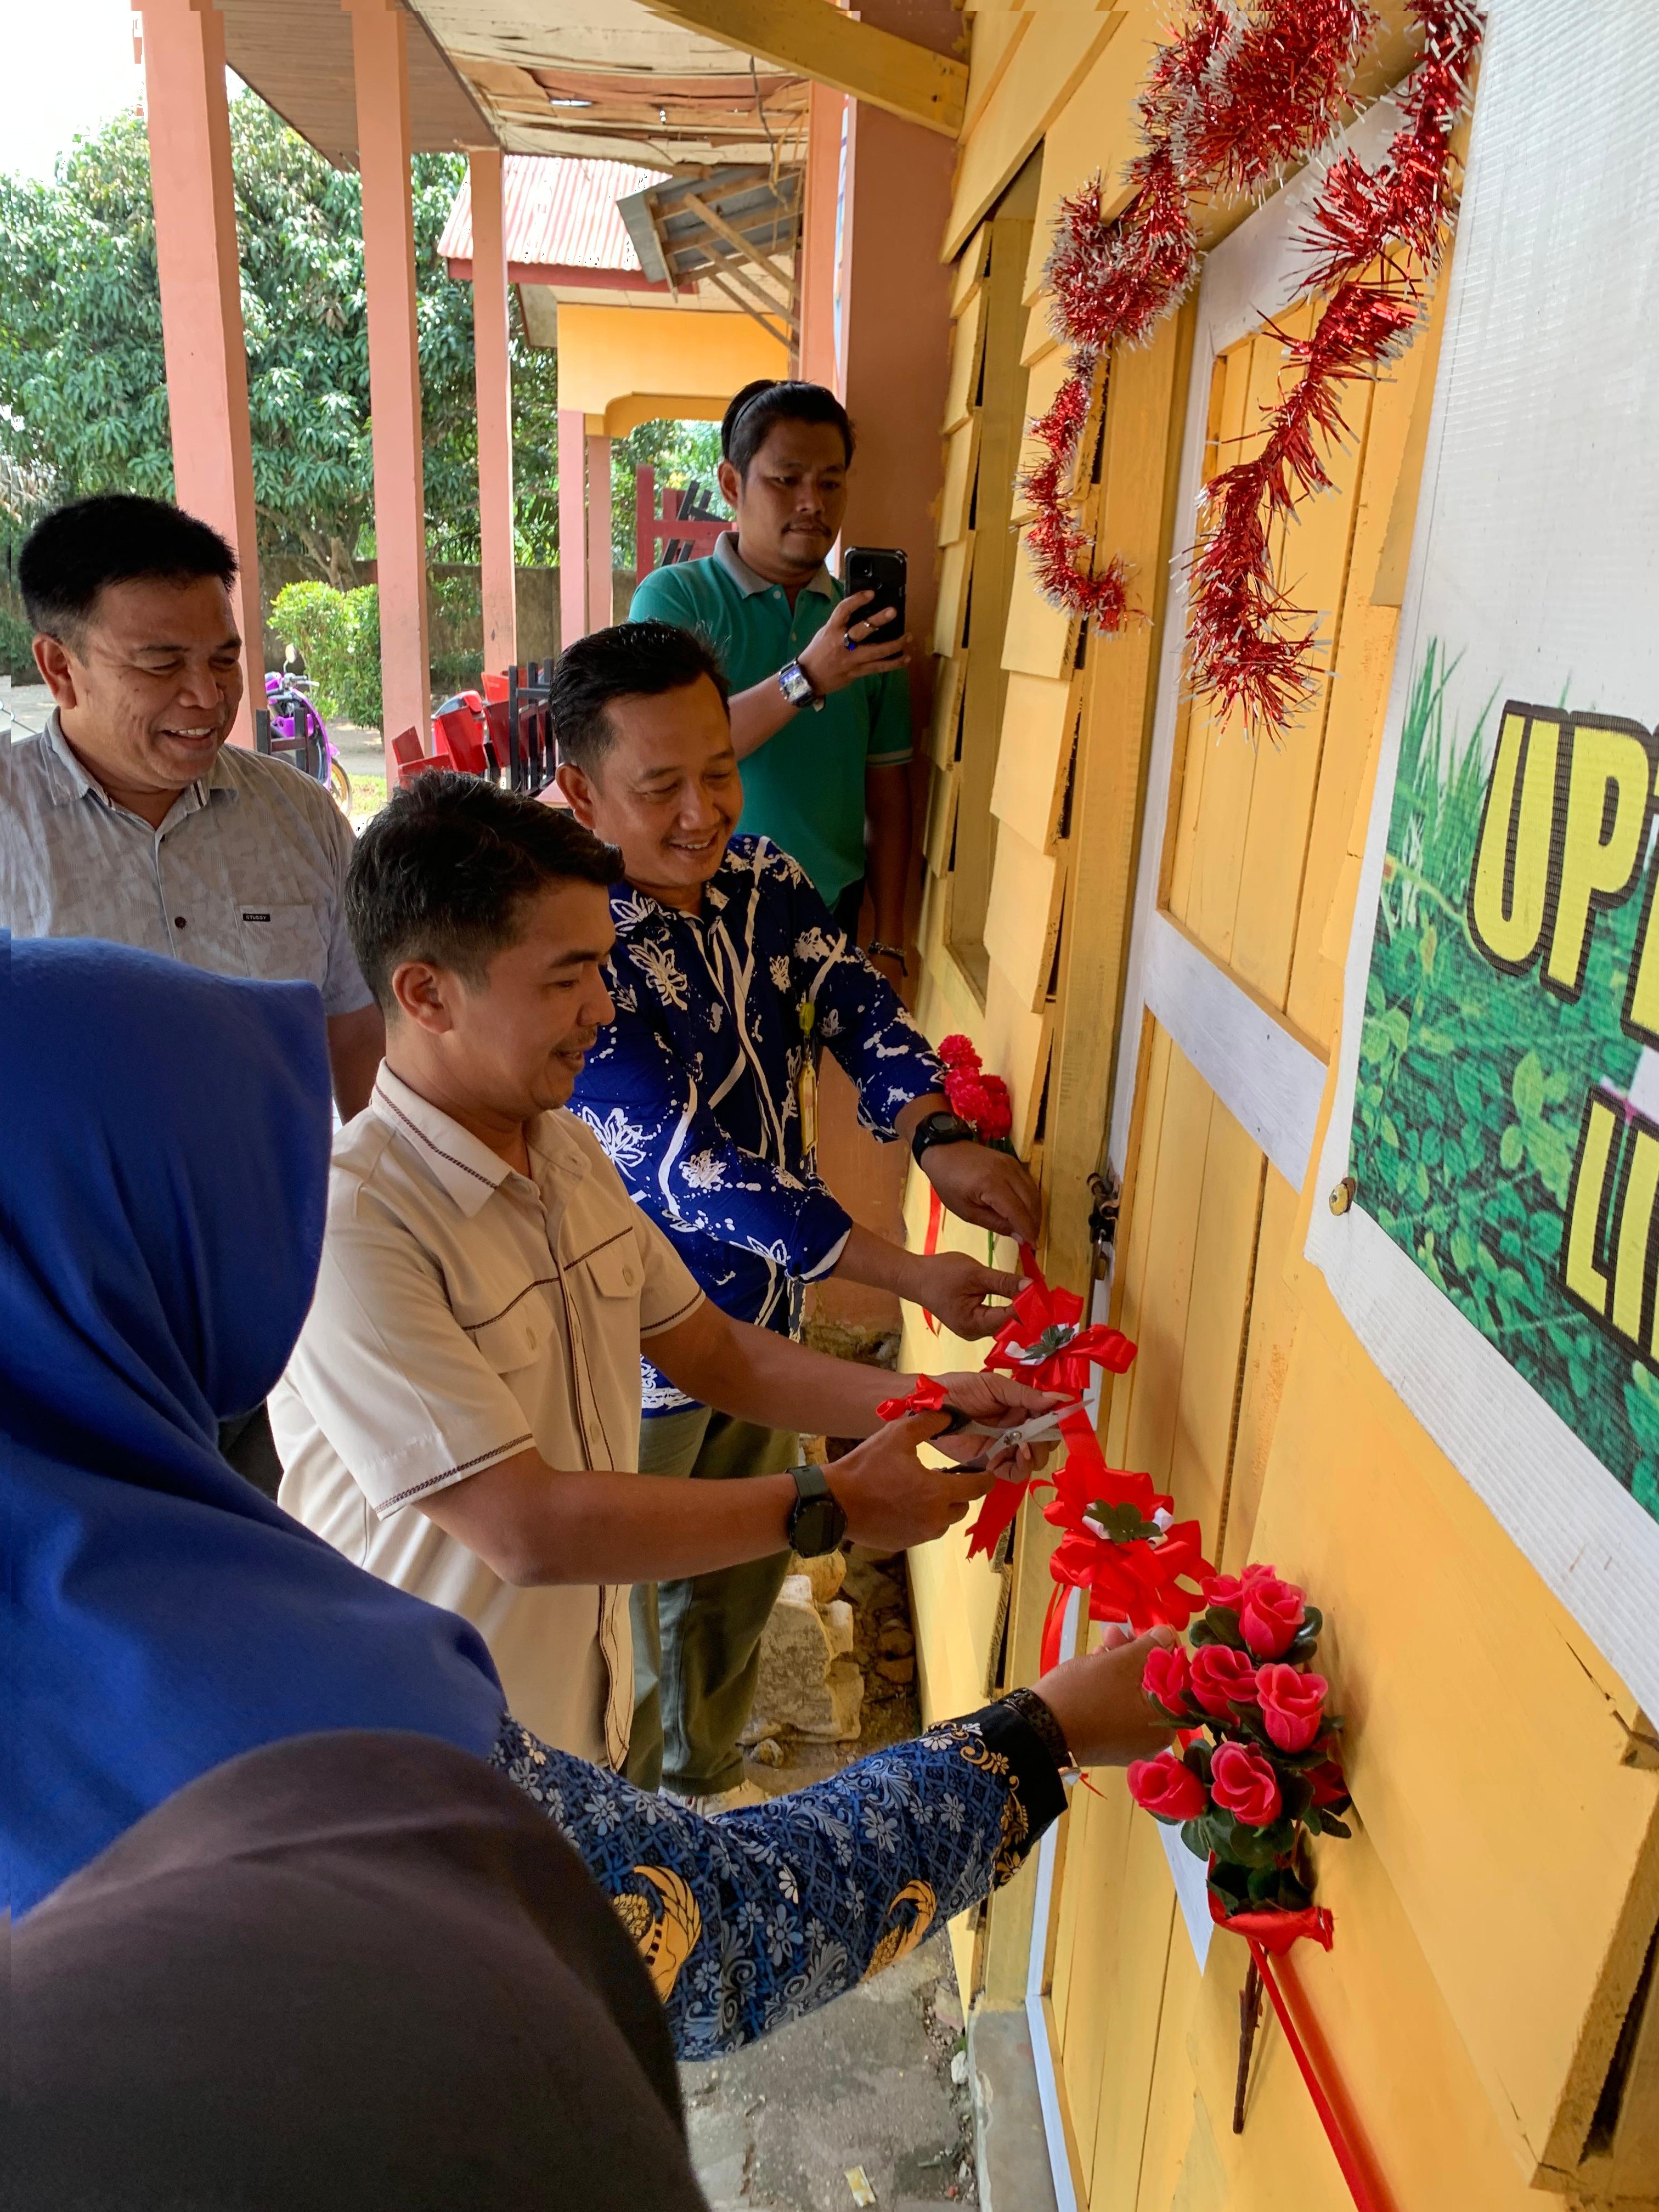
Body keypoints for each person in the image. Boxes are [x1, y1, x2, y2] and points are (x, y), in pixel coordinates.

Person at [4, 927, 1174, 2076]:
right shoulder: (239, 1666)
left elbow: (719, 1351)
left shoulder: (102, 1542)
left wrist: (918, 1404)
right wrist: (1047, 1731)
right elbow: (695, 1939)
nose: (276, 1224)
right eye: (226, 1186)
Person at [269, 775, 1052, 1779]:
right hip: (426, 1777)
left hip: (570, 1750)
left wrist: (935, 1403)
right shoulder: (355, 1225)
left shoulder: (562, 1153)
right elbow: (527, 1527)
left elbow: (713, 1351)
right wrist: (828, 1501)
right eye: (565, 978)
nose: (603, 1007)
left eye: (602, 967)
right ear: (426, 993)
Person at [554, 622, 1045, 1808]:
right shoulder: (566, 940)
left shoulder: (766, 881)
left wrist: (936, 1133)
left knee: (741, 1574)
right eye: (659, 786)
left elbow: (855, 1004)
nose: (700, 811)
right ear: (580, 790)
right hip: (635, 1352)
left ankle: (704, 1800)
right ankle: (617, 1836)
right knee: (612, 1620)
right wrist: (908, 1276)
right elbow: (689, 1168)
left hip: (761, 1332)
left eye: (717, 771)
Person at [0, 493, 384, 1496]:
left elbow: (356, 1042)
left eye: (223, 658)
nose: (206, 696)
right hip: (61, 1318)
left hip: (270, 1297)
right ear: (58, 667)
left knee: (261, 1552)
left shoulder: (299, 820)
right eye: (160, 664)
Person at [630, 379, 912, 975]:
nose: (813, 502)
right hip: (695, 918)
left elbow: (887, 795)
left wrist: (888, 938)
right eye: (787, 479)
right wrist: (807, 675)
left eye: (831, 482)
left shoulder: (859, 624)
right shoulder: (674, 600)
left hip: (828, 921)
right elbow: (668, 751)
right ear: (733, 484)